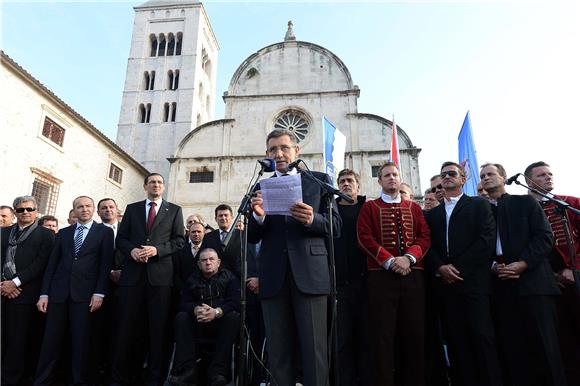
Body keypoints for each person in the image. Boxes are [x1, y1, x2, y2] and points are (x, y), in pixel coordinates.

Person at [248, 128, 341, 386]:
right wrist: (259, 215)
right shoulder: (259, 186)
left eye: (284, 148)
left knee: (314, 351)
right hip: (274, 275)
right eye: (272, 149)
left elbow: (335, 226)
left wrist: (312, 219)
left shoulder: (319, 181)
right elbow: (252, 236)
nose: (278, 153)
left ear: (296, 151)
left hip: (310, 275)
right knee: (278, 352)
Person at [480, 163, 567, 386]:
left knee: (546, 350)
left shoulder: (525, 202)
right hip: (500, 287)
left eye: (491, 174)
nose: (487, 178)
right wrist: (491, 265)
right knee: (513, 352)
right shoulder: (479, 211)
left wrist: (523, 263)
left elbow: (544, 238)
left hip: (534, 286)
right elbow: (476, 247)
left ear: (503, 177)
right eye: (483, 176)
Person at [424, 162, 502, 386]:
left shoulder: (479, 205)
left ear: (462, 179)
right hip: (446, 287)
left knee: (482, 338)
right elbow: (428, 245)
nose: (446, 177)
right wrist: (440, 267)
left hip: (474, 284)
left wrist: (457, 268)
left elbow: (486, 240)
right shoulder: (433, 214)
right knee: (456, 342)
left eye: (451, 174)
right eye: (443, 175)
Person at [357, 162, 430, 386]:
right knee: (382, 336)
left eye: (395, 174)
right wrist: (389, 261)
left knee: (414, 334)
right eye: (386, 175)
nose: (391, 178)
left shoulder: (414, 208)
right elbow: (364, 237)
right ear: (379, 181)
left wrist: (408, 258)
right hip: (381, 277)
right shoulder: (369, 208)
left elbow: (424, 237)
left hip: (413, 277)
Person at [111, 173, 185, 386]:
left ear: (164, 187)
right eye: (152, 182)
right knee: (126, 329)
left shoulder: (175, 210)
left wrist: (157, 250)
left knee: (157, 331)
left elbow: (179, 241)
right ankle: (122, 377)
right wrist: (132, 251)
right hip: (133, 278)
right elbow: (121, 239)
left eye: (160, 182)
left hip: (160, 280)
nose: (156, 185)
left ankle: (154, 379)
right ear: (145, 186)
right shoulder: (132, 209)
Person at [34, 196, 114, 385]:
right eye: (79, 207)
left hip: (85, 296)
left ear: (94, 209)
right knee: (50, 342)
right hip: (58, 294)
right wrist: (44, 293)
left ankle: (78, 381)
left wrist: (99, 293)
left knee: (81, 343)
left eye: (87, 206)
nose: (84, 209)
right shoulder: (63, 233)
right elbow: (52, 265)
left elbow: (105, 265)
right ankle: (42, 380)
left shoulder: (104, 233)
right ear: (74, 210)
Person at [524, 161, 580, 386]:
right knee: (560, 339)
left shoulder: (569, 203)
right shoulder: (524, 209)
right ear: (529, 181)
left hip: (574, 277)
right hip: (544, 284)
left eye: (550, 174)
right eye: (541, 175)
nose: (548, 177)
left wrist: (572, 268)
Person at [1, 196, 54, 385]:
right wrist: (3, 284)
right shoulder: (4, 232)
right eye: (21, 209)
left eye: (29, 209)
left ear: (36, 211)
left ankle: (11, 379)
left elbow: (40, 263)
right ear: (15, 212)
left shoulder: (45, 234)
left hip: (24, 294)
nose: (25, 212)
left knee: (17, 340)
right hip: (2, 291)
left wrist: (14, 282)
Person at [168, 248, 240, 386]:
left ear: (218, 262)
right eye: (204, 260)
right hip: (198, 323)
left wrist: (217, 311)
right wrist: (195, 309)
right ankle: (187, 371)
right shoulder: (192, 279)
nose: (208, 263)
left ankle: (218, 372)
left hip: (221, 322)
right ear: (199, 264)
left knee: (233, 317)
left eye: (211, 259)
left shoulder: (230, 278)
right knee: (181, 317)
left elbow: (235, 302)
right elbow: (183, 303)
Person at [334, 169, 370, 386]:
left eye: (350, 181)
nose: (346, 184)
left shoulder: (368, 208)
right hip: (339, 284)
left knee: (366, 337)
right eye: (342, 181)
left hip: (366, 283)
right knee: (342, 339)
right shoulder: (331, 209)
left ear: (358, 185)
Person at [201, 204, 242, 276]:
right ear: (216, 219)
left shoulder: (242, 235)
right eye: (220, 215)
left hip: (237, 278)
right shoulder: (208, 237)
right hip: (215, 279)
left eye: (226, 215)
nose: (223, 218)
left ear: (232, 217)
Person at [174, 221, 206, 289]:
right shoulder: (181, 251)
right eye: (193, 232)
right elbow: (177, 273)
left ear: (204, 233)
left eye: (199, 231)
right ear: (189, 233)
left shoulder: (210, 249)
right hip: (186, 291)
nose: (196, 234)